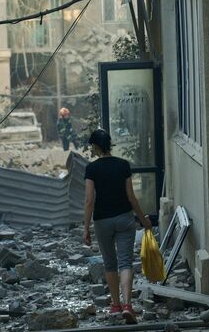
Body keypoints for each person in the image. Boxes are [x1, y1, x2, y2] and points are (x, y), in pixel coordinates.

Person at [83, 129, 152, 324]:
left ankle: (115, 304)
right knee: (125, 262)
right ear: (109, 145)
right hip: (124, 219)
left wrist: (85, 228)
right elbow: (131, 197)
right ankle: (128, 305)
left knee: (110, 263)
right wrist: (143, 220)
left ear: (96, 147)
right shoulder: (123, 165)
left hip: (102, 221)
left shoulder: (92, 169)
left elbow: (89, 201)